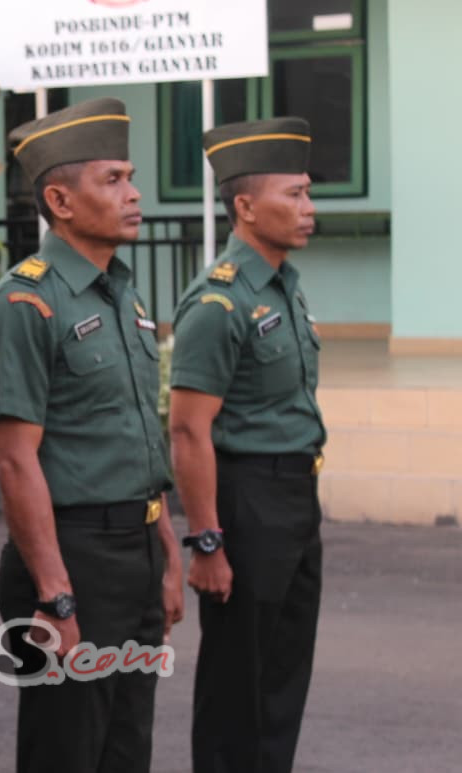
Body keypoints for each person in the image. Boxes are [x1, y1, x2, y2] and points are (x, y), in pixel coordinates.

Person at [0, 97, 184, 773]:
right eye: (114, 179)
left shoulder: (122, 292)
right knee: (68, 750)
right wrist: (54, 593)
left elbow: (131, 438)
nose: (134, 193)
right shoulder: (25, 302)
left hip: (135, 552)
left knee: (127, 748)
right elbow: (14, 460)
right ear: (61, 200)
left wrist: (166, 546)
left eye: (130, 177)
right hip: (72, 558)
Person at [169, 117, 325, 773]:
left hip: (296, 498)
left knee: (284, 678)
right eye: (293, 194)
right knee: (240, 685)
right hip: (246, 501)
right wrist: (207, 540)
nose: (308, 208)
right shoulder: (219, 303)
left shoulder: (285, 287)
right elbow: (187, 428)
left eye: (308, 193)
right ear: (245, 206)